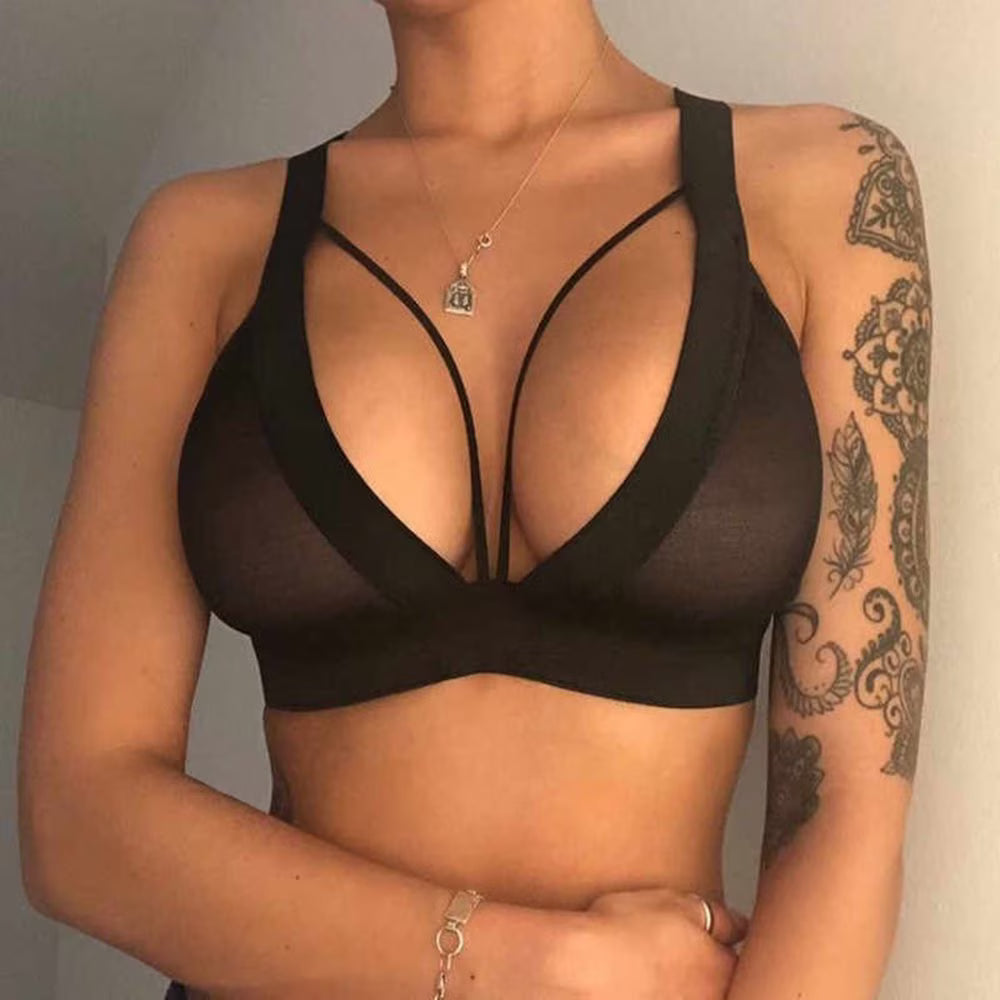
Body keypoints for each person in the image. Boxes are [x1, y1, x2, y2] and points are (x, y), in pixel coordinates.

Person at [17, 0, 932, 997]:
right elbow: (77, 817)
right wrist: (530, 963)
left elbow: (842, 814)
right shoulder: (202, 244)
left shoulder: (828, 186)